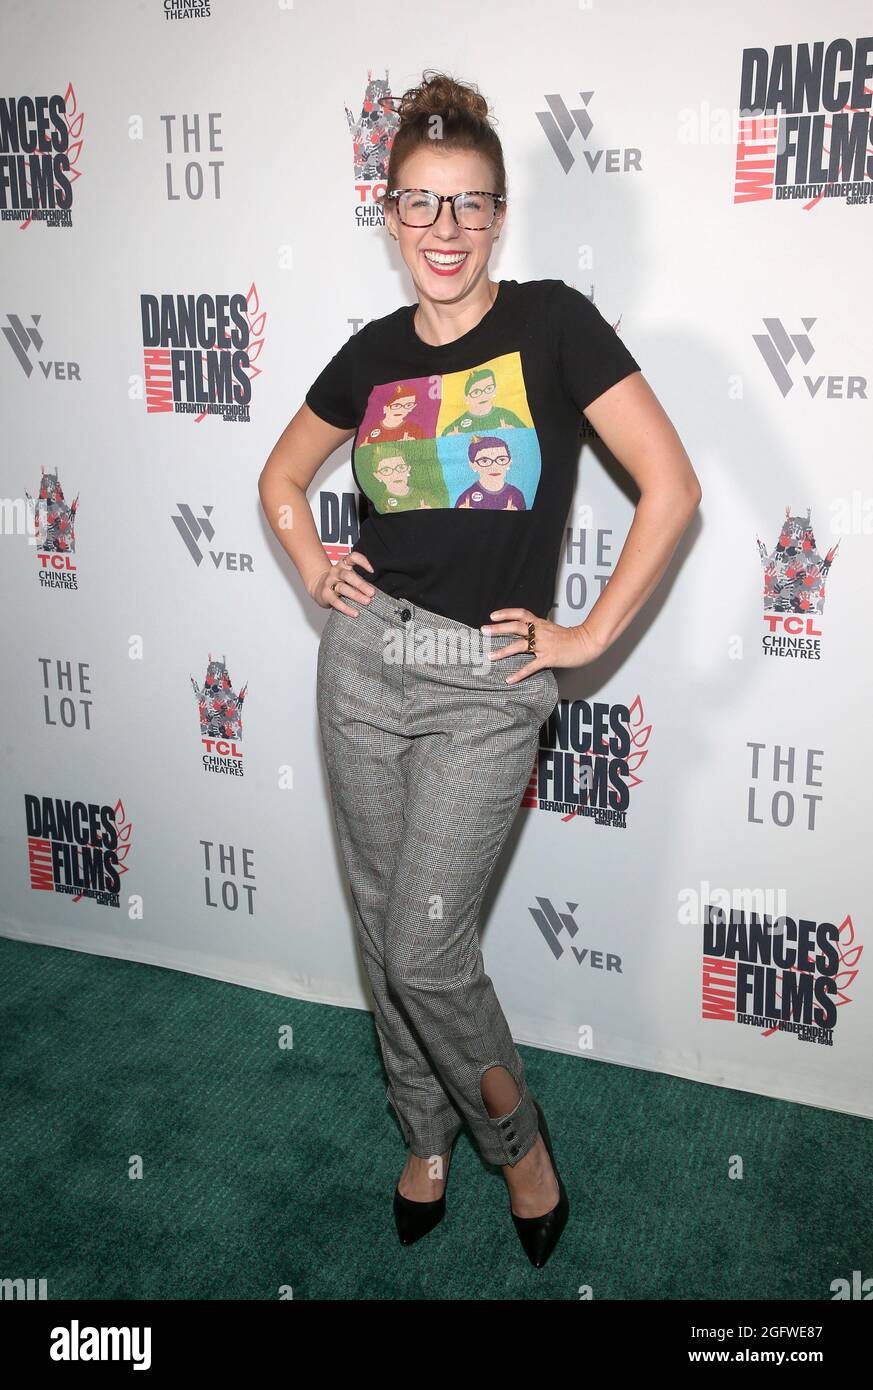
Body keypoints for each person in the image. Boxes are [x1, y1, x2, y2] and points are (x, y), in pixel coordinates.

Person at [258, 69, 702, 1270]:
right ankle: (422, 1131)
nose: (443, 230)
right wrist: (313, 566)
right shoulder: (371, 351)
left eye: (469, 204)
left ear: (499, 213)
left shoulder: (554, 324)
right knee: (377, 926)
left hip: (490, 686)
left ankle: (517, 1141)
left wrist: (589, 635)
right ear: (387, 212)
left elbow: (674, 487)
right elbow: (279, 481)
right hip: (362, 664)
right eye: (419, 203)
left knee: (425, 948)